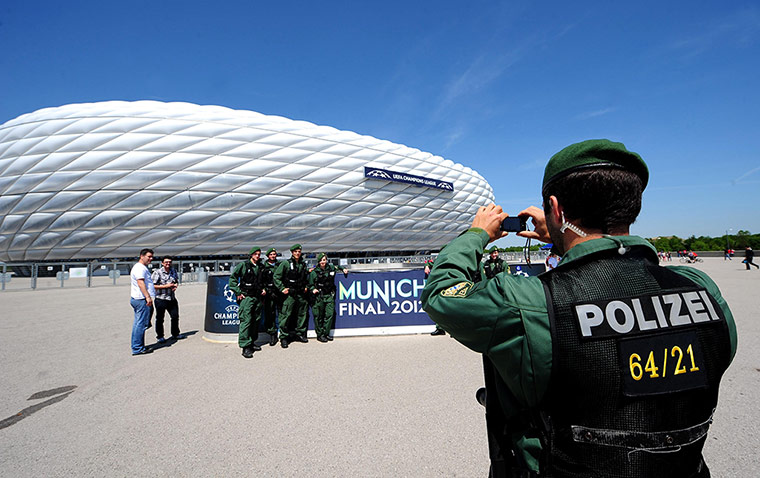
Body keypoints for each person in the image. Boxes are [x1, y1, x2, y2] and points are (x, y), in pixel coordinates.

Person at [421, 139, 737, 477]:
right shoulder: (701, 289)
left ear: (555, 209)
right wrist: (563, 235)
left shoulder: (533, 303)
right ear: (632, 206)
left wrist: (476, 234)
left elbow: (442, 294)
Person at [229, 247, 267, 358]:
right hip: (247, 298)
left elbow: (264, 280)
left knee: (255, 321)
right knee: (246, 321)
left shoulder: (260, 266)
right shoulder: (244, 266)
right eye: (255, 254)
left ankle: (251, 342)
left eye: (259, 254)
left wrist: (264, 289)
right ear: (251, 255)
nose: (257, 256)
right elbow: (233, 279)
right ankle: (245, 346)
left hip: (257, 297)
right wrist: (238, 292)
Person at [274, 244, 309, 348]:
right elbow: (276, 277)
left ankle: (300, 333)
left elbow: (305, 276)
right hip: (290, 294)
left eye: (299, 251)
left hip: (300, 293)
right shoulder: (286, 263)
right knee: (286, 315)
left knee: (302, 313)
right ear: (292, 253)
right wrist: (282, 288)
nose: (297, 253)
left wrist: (306, 286)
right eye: (295, 252)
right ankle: (284, 337)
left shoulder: (302, 264)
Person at [308, 253, 348, 342]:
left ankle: (326, 333)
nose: (323, 262)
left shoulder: (331, 268)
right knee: (319, 316)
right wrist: (313, 289)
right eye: (321, 260)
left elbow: (338, 267)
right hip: (319, 297)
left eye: (324, 260)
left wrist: (343, 269)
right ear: (318, 261)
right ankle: (320, 334)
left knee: (329, 315)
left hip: (329, 295)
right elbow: (310, 284)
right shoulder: (314, 272)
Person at [130, 248, 156, 355]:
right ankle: (137, 348)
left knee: (140, 323)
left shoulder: (140, 267)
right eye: (149, 256)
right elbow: (141, 283)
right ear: (142, 256)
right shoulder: (140, 268)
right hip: (141, 299)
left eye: (151, 257)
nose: (151, 259)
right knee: (140, 324)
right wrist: (147, 297)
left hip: (139, 299)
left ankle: (138, 346)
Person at [151, 256, 180, 343]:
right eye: (166, 262)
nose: (168, 264)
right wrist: (166, 286)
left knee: (175, 317)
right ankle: (160, 336)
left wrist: (175, 285)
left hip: (171, 298)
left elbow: (176, 281)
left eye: (170, 262)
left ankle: (175, 334)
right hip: (161, 299)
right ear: (162, 263)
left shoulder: (173, 271)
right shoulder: (157, 272)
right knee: (160, 318)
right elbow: (153, 285)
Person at [261, 248, 282, 346]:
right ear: (268, 256)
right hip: (269, 294)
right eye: (271, 254)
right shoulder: (263, 267)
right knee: (270, 315)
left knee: (282, 313)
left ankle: (283, 334)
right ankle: (272, 334)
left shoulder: (280, 265)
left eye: (274, 254)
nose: (273, 256)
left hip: (279, 293)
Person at [425, 257, 446, 336]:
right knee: (439, 306)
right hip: (442, 286)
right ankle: (440, 328)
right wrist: (426, 266)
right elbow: (429, 262)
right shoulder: (441, 260)